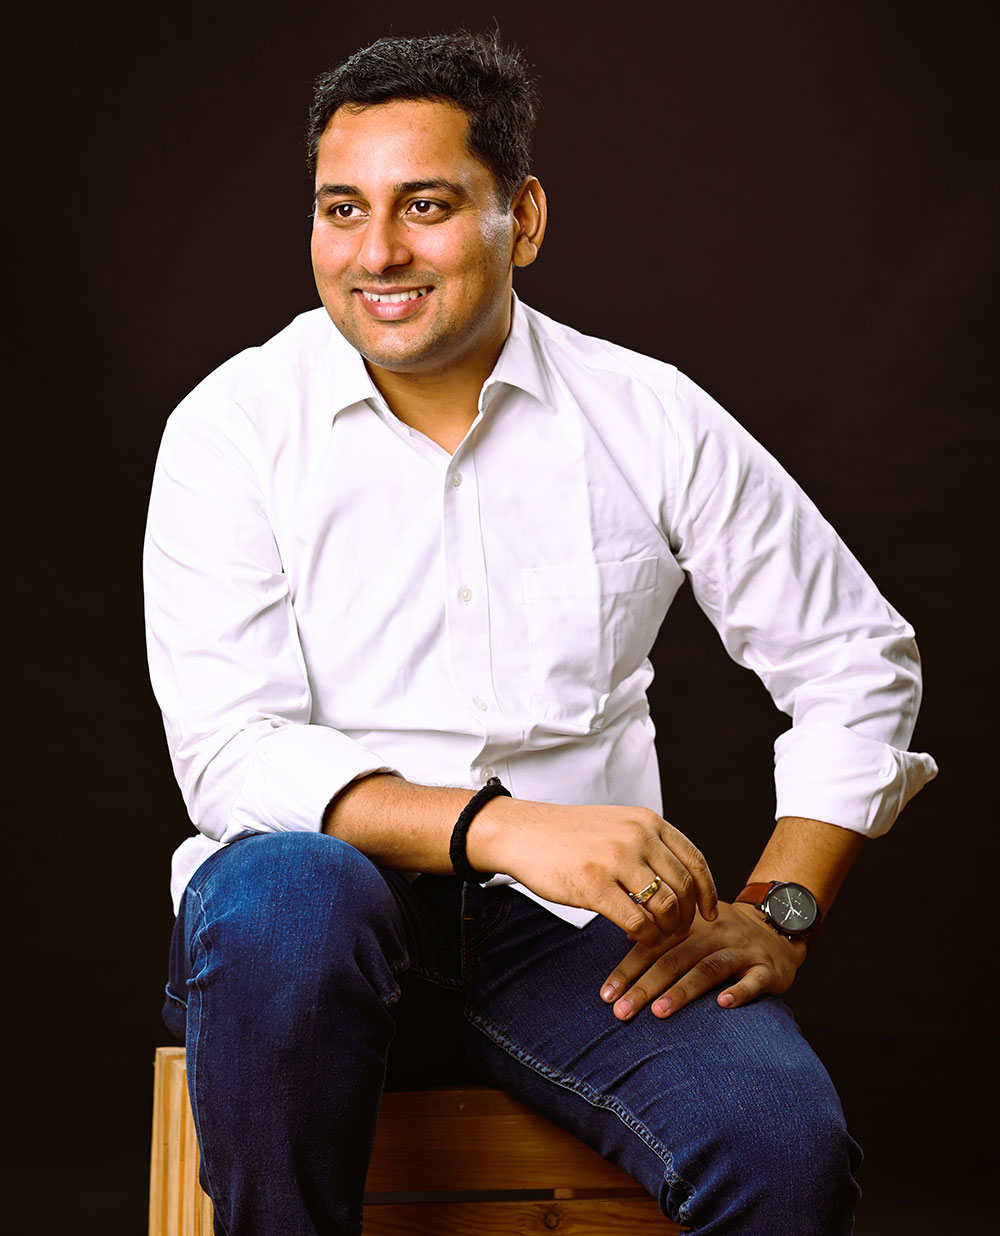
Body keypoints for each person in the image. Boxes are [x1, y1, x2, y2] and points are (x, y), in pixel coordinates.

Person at [144, 29, 937, 1236]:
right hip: (307, 945)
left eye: (424, 206)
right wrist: (505, 828)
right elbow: (229, 753)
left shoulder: (644, 414)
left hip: (573, 946)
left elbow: (853, 657)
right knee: (290, 889)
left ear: (521, 219)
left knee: (782, 1145)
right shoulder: (232, 428)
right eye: (342, 209)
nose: (376, 253)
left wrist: (782, 906)